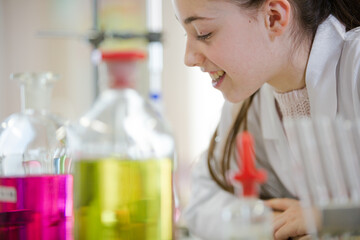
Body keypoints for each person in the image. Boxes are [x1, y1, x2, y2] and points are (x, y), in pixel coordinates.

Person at [172, 0, 360, 239]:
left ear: (273, 17)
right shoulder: (249, 102)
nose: (189, 58)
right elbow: (203, 198)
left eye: (204, 33)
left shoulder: (355, 68)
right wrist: (265, 224)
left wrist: (326, 217)